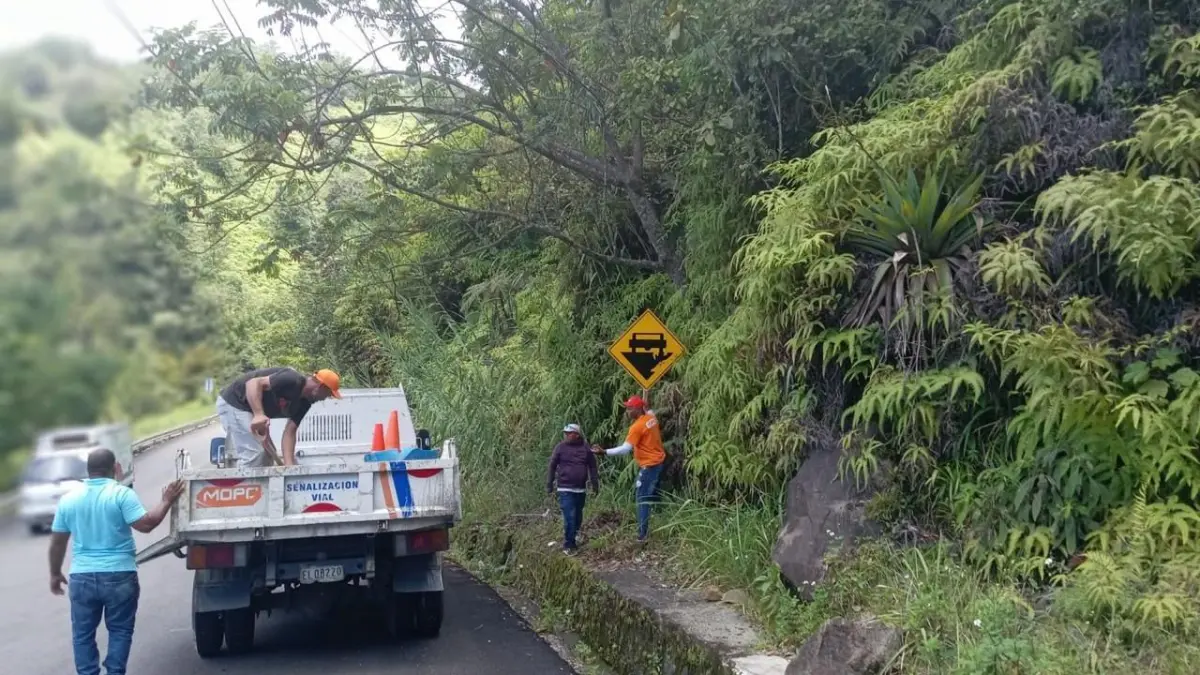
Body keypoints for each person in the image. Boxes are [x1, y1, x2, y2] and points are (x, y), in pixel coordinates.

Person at [48, 448, 185, 675]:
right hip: (119, 575)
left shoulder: (68, 500)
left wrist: (54, 573)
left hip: (81, 577)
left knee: (82, 635)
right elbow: (147, 524)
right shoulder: (121, 494)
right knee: (120, 631)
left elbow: (58, 543)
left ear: (89, 471)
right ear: (116, 468)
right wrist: (166, 500)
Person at [216, 367, 342, 467]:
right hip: (235, 402)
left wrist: (289, 466)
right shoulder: (292, 379)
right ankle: (244, 496)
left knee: (267, 455)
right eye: (328, 394)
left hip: (249, 410)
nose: (326, 398)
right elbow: (253, 383)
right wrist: (259, 414)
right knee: (255, 455)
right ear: (320, 387)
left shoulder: (305, 403)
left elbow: (290, 432)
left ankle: (261, 495)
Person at [592, 395, 666, 544]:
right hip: (659, 462)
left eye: (630, 408)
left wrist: (604, 452)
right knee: (652, 497)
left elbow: (625, 449)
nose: (627, 411)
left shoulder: (637, 427)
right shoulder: (651, 418)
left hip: (649, 466)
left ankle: (642, 535)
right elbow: (649, 409)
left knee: (642, 499)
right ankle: (657, 527)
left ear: (638, 409)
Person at [547, 423, 600, 555]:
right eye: (565, 433)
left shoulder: (585, 449)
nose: (566, 435)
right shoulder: (560, 448)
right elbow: (552, 466)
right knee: (569, 515)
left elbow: (592, 467)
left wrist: (595, 485)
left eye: (569, 433)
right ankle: (569, 545)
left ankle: (575, 534)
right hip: (565, 488)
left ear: (577, 435)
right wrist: (549, 483)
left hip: (580, 489)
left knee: (577, 515)